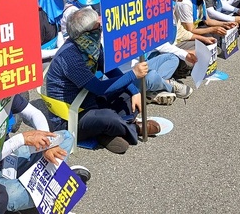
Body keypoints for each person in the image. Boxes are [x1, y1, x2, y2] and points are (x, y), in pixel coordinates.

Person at [45, 8, 158, 154]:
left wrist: (134, 91)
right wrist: (133, 74)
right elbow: (98, 87)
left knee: (126, 93)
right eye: (97, 27)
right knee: (109, 118)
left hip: (87, 99)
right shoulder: (70, 58)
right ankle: (134, 129)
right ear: (84, 33)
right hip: (69, 115)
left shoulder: (91, 46)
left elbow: (109, 70)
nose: (100, 30)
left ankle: (105, 133)